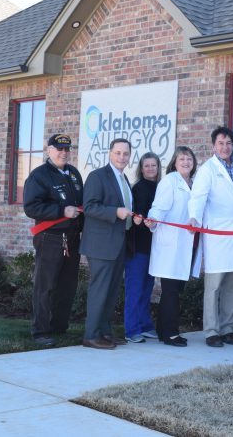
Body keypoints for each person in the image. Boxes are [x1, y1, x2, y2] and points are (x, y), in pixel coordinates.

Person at [188, 126, 233, 348]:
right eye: (221, 143)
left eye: (229, 143)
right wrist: (194, 217)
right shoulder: (207, 170)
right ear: (214, 146)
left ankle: (228, 329)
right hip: (217, 235)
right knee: (214, 287)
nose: (225, 147)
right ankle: (212, 331)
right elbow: (198, 197)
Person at [23, 133, 83, 346]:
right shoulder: (39, 175)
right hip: (50, 237)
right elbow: (31, 207)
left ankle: (59, 327)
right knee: (45, 286)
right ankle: (40, 331)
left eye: (67, 149)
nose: (63, 153)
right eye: (59, 149)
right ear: (49, 150)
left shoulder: (74, 174)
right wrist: (61, 211)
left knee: (67, 286)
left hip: (72, 238)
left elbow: (80, 205)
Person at [80, 138, 140, 349]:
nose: (122, 157)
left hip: (118, 245)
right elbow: (89, 207)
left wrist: (134, 217)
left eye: (125, 154)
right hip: (101, 245)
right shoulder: (98, 176)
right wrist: (115, 212)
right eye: (118, 153)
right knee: (100, 289)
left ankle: (105, 332)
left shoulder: (124, 180)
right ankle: (91, 335)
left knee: (112, 291)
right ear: (110, 154)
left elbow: (125, 209)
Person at [146, 146, 201, 347]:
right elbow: (158, 207)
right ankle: (171, 334)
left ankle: (162, 330)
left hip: (188, 243)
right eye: (182, 159)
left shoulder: (194, 183)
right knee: (170, 291)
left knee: (176, 289)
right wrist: (153, 220)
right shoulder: (170, 181)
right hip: (171, 244)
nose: (186, 162)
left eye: (189, 159)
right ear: (174, 163)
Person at [123, 152, 161, 343]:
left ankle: (145, 324)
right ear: (141, 168)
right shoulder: (138, 188)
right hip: (138, 247)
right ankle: (131, 330)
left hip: (153, 247)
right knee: (135, 288)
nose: (150, 169)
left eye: (153, 165)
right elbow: (136, 216)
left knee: (147, 288)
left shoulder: (161, 187)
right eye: (147, 166)